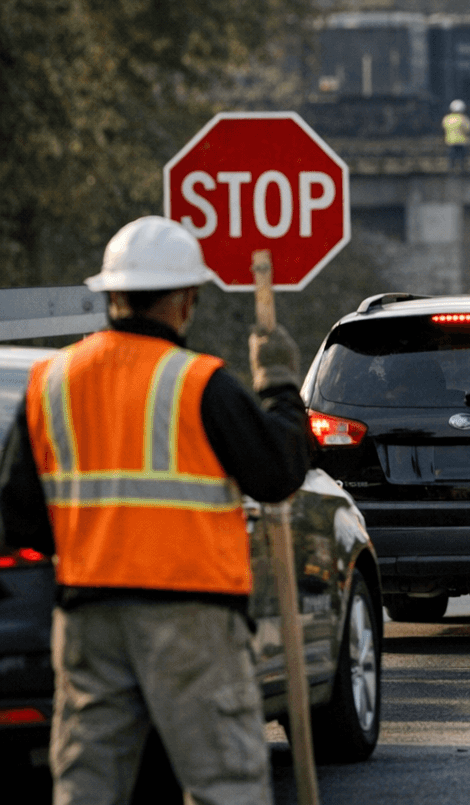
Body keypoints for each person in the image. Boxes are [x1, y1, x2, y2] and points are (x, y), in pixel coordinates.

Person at [0, 216, 311, 804]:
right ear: (186, 299)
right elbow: (277, 474)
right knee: (224, 783)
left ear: (111, 295)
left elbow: (18, 518)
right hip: (191, 617)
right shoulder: (201, 383)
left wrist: (95, 544)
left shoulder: (50, 381)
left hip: (89, 616)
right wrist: (278, 386)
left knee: (89, 786)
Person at [442, 98, 470, 170]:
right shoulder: (464, 118)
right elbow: (468, 129)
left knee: (452, 157)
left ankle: (451, 169)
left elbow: (444, 127)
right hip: (462, 141)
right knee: (462, 157)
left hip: (450, 141)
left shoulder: (447, 118)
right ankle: (462, 169)